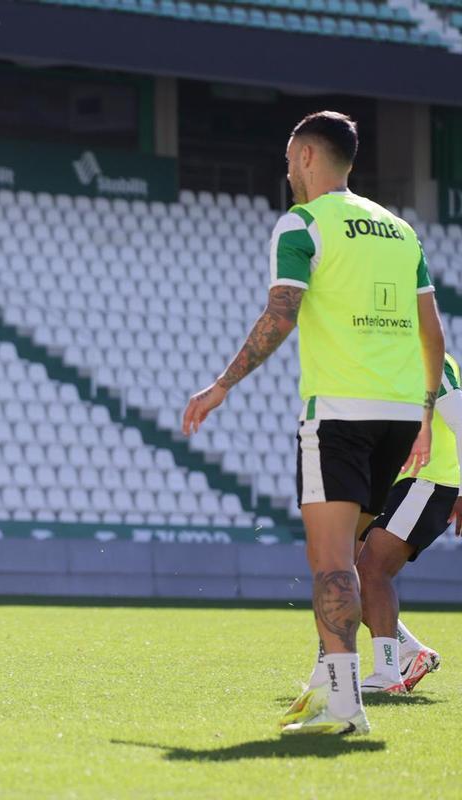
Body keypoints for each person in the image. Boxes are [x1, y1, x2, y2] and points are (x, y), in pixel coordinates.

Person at [181, 111, 444, 735]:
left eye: (289, 158)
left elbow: (281, 315)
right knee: (349, 558)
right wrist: (427, 414)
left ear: (302, 155)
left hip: (339, 415)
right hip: (402, 413)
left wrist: (222, 384)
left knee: (331, 565)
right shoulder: (402, 231)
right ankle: (330, 686)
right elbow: (433, 334)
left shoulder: (302, 223)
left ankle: (346, 708)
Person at [354, 353, 462, 693]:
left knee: (372, 568)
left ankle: (387, 675)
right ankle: (410, 651)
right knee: (345, 571)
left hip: (430, 481)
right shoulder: (388, 360)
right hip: (400, 481)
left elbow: (460, 419)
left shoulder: (430, 357)